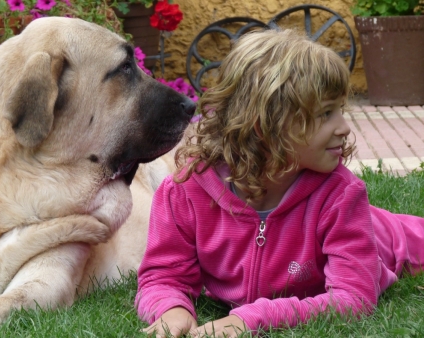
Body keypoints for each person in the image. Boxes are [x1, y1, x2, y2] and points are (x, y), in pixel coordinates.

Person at [135, 28, 424, 338]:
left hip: (393, 241)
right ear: (265, 123)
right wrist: (172, 310)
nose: (344, 127)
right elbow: (163, 276)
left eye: (338, 111)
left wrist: (255, 316)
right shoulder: (185, 190)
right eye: (326, 114)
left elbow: (354, 298)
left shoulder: (342, 196)